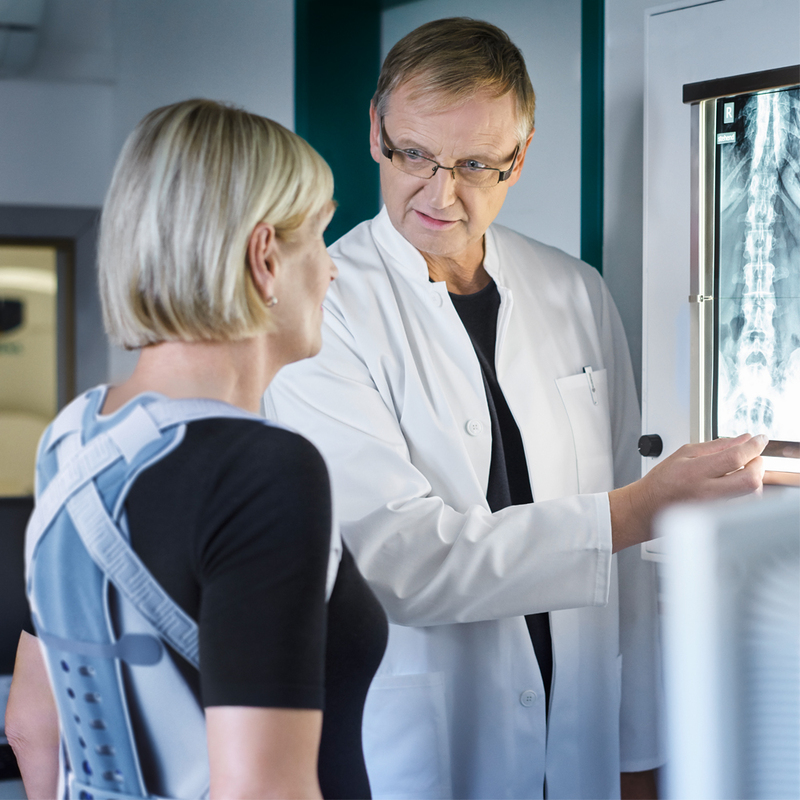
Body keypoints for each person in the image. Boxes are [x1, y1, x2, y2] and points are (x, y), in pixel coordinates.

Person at [263, 18, 767, 800]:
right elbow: (398, 561)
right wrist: (634, 510)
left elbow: (628, 573)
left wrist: (639, 752)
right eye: (415, 155)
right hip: (426, 748)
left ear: (519, 158)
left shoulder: (575, 291)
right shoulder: (323, 308)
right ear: (375, 132)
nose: (439, 192)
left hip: (583, 735)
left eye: (473, 164)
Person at [5, 99, 387, 800]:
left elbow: (35, 725)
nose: (331, 271)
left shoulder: (74, 436)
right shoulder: (264, 470)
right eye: (320, 240)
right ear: (265, 257)